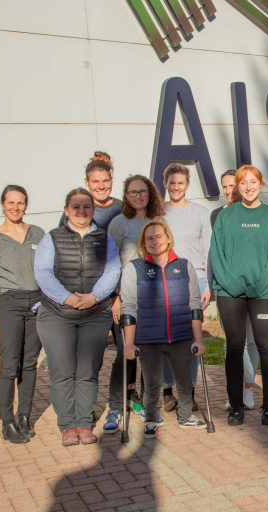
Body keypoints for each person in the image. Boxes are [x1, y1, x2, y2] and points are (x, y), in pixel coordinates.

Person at [34, 188, 120, 447]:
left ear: (93, 210)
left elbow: (112, 270)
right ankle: (67, 425)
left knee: (88, 370)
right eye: (76, 207)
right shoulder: (52, 238)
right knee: (62, 370)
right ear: (66, 210)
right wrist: (68, 298)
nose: (82, 211)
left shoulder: (106, 239)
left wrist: (94, 297)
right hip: (57, 314)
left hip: (94, 314)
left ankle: (83, 421)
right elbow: (43, 272)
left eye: (86, 207)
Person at [210, 165, 268, 427]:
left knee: (265, 345)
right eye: (243, 183)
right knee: (234, 347)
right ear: (237, 187)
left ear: (261, 184)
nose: (249, 187)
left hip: (263, 292)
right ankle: (236, 406)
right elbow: (217, 255)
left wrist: (257, 287)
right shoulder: (226, 216)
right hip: (230, 293)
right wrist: (232, 285)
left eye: (253, 182)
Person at [120, 219, 207, 438]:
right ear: (143, 243)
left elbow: (194, 305)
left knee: (185, 382)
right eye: (149, 238)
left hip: (181, 336)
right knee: (152, 384)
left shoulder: (184, 266)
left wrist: (199, 339)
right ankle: (150, 419)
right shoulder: (134, 268)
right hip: (148, 339)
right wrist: (129, 343)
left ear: (168, 238)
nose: (155, 241)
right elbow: (129, 306)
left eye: (159, 236)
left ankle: (186, 417)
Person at [0, 185, 45, 444]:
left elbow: (46, 270)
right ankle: (7, 422)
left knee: (29, 362)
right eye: (11, 202)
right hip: (7, 302)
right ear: (2, 204)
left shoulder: (38, 234)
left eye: (20, 203)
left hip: (36, 303)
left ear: (26, 205)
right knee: (9, 364)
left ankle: (24, 416)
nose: (15, 207)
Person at [103, 175, 165, 434]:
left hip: (152, 299)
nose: (138, 196)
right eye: (132, 193)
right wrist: (115, 297)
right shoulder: (118, 223)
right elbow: (109, 263)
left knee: (148, 355)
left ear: (150, 194)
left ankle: (144, 404)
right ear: (125, 196)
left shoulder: (159, 222)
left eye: (142, 192)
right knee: (123, 355)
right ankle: (116, 406)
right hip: (125, 299)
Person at [161, 163, 212, 412]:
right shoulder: (157, 212)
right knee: (166, 337)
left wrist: (208, 285)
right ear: (165, 184)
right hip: (164, 281)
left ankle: (189, 390)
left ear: (188, 185)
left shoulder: (201, 212)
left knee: (193, 337)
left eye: (180, 183)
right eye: (172, 183)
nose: (176, 187)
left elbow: (208, 250)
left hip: (196, 280)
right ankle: (168, 391)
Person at [211, 170, 260, 411]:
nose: (230, 191)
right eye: (226, 187)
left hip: (252, 290)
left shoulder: (256, 213)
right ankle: (234, 392)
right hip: (226, 289)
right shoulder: (217, 215)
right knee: (232, 342)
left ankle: (248, 389)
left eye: (234, 186)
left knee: (250, 341)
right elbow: (215, 254)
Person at [59, 151, 122, 231]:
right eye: (95, 182)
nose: (101, 186)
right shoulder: (75, 210)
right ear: (86, 182)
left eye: (105, 181)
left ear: (111, 180)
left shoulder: (122, 208)